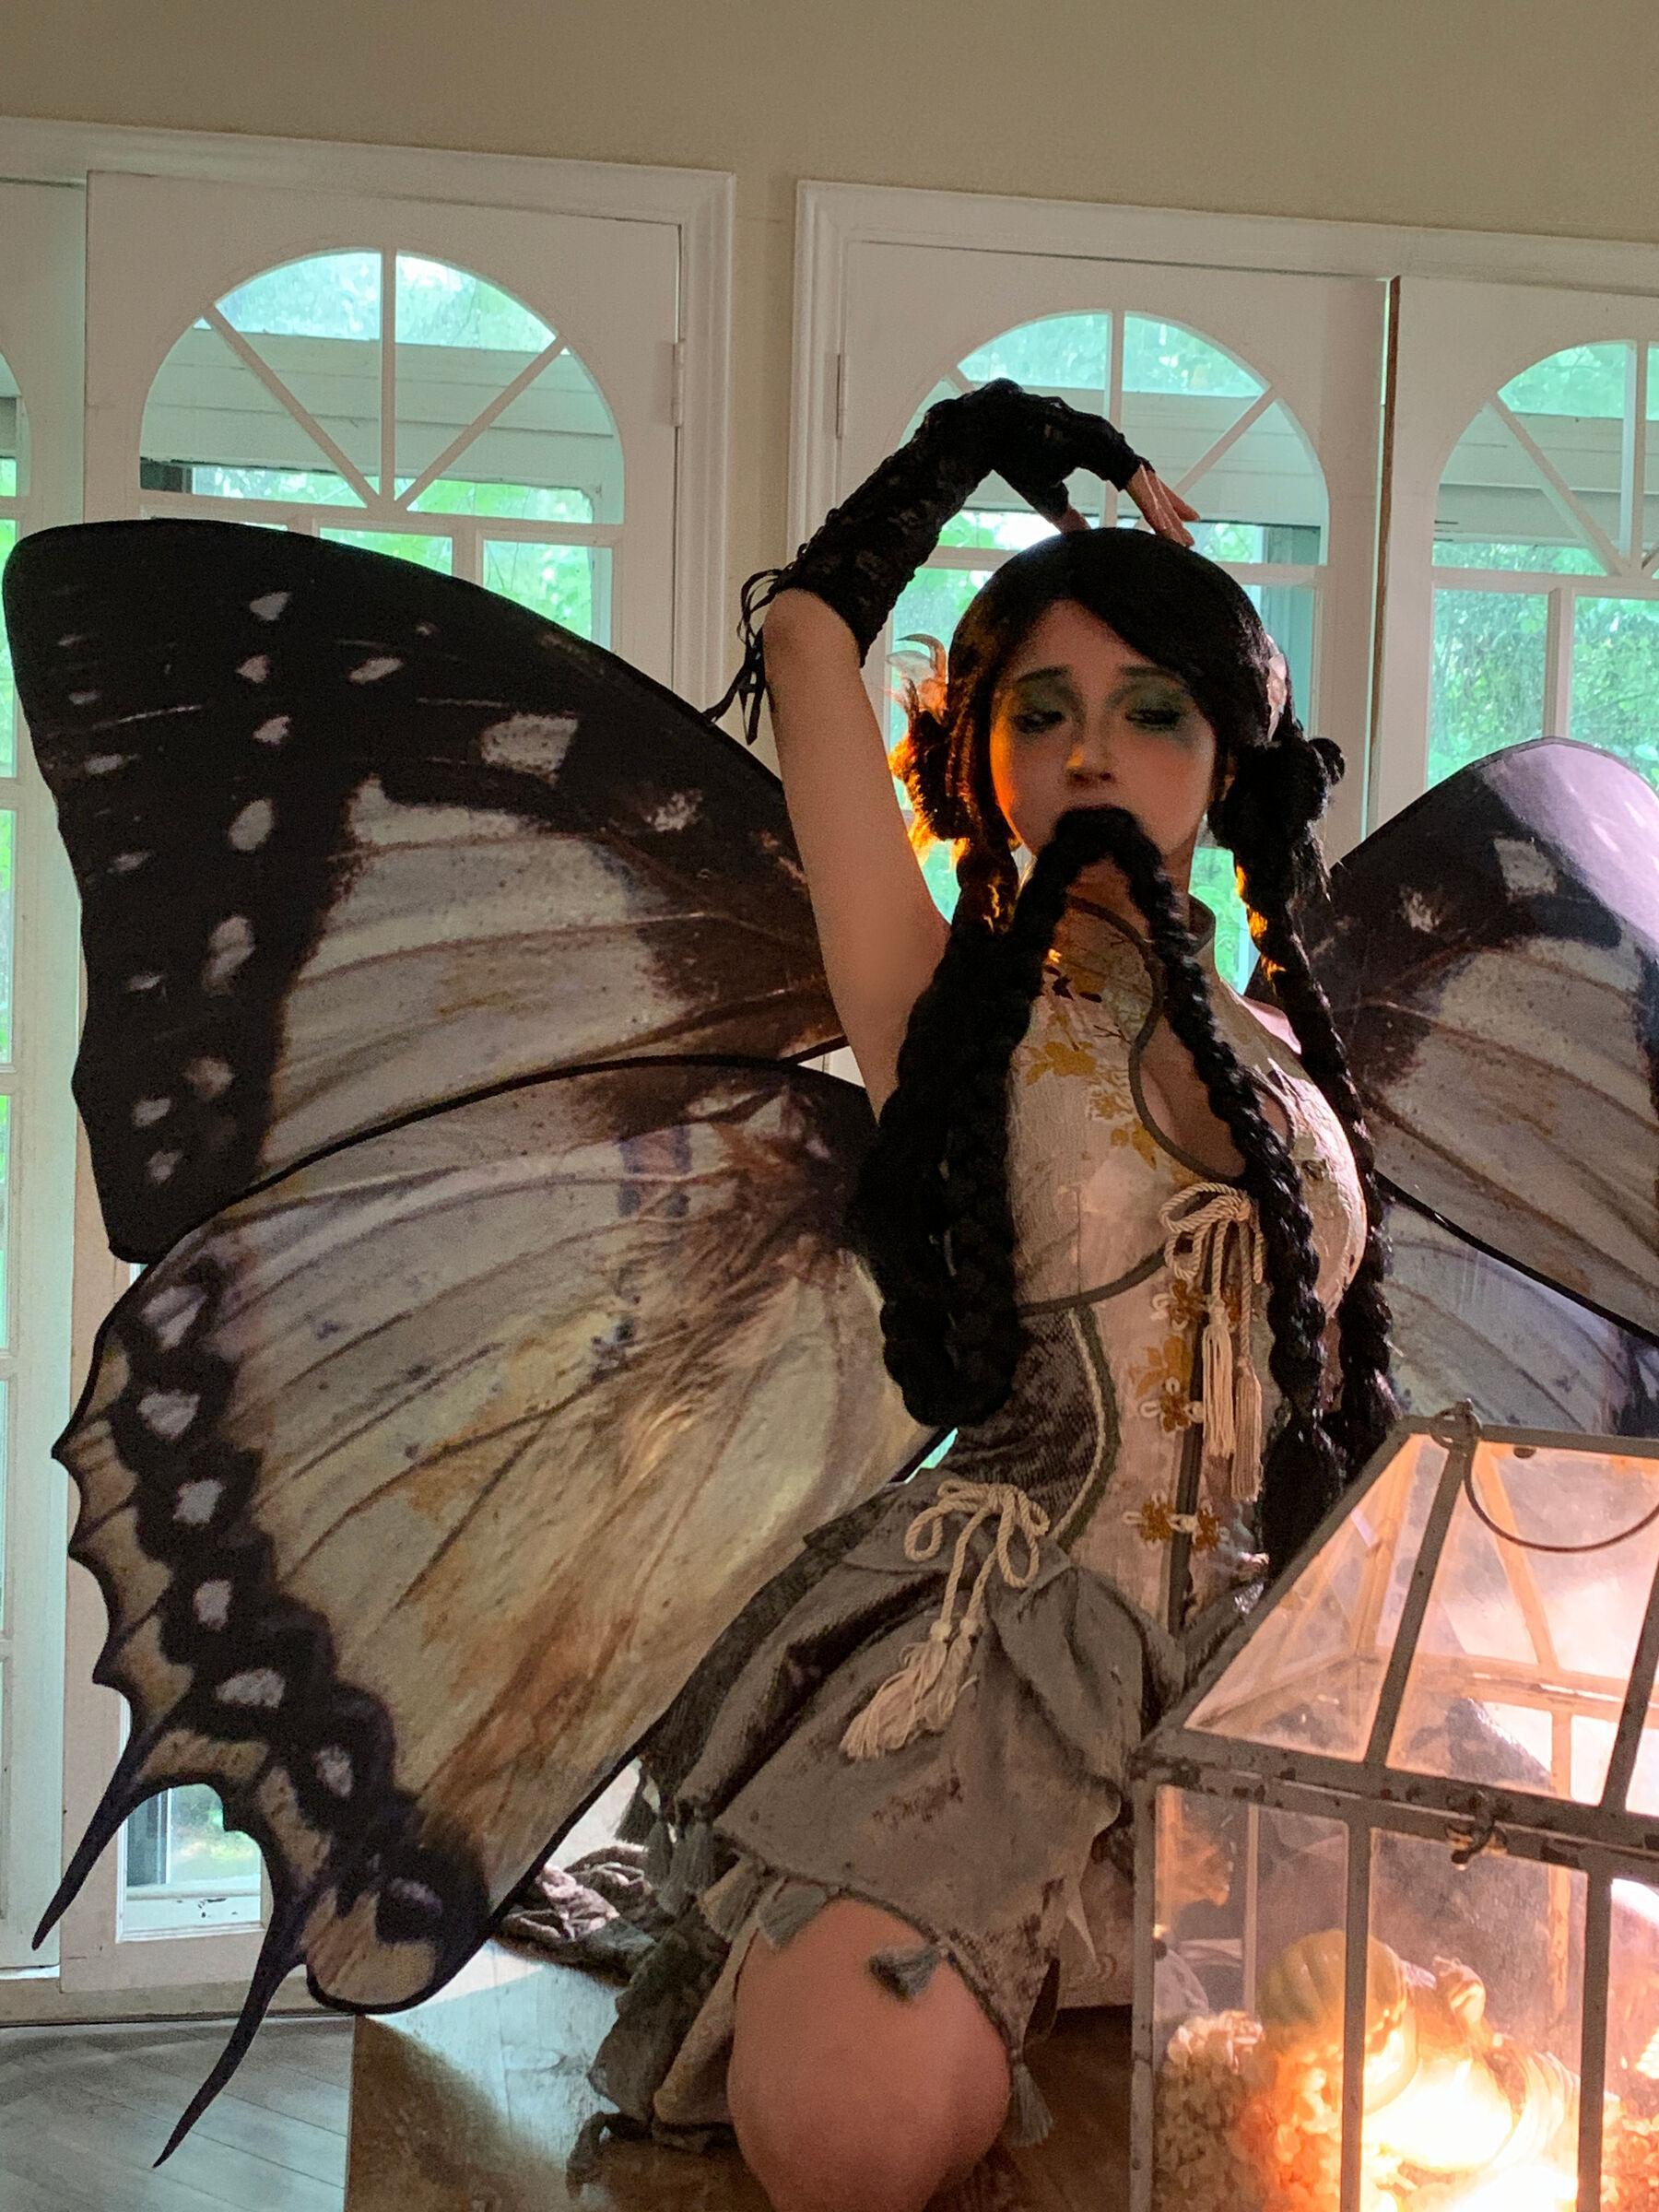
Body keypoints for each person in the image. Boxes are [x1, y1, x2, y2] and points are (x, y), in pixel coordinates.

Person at [571, 380, 1398, 2210]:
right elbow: (808, 638)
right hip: (1004, 1641)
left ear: (1227, 755)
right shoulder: (938, 1003)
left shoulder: (1284, 1036)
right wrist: (1011, 440)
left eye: (1152, 707)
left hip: (1277, 1657)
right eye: (1044, 708)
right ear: (989, 755)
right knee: (844, 2134)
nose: (1096, 748)